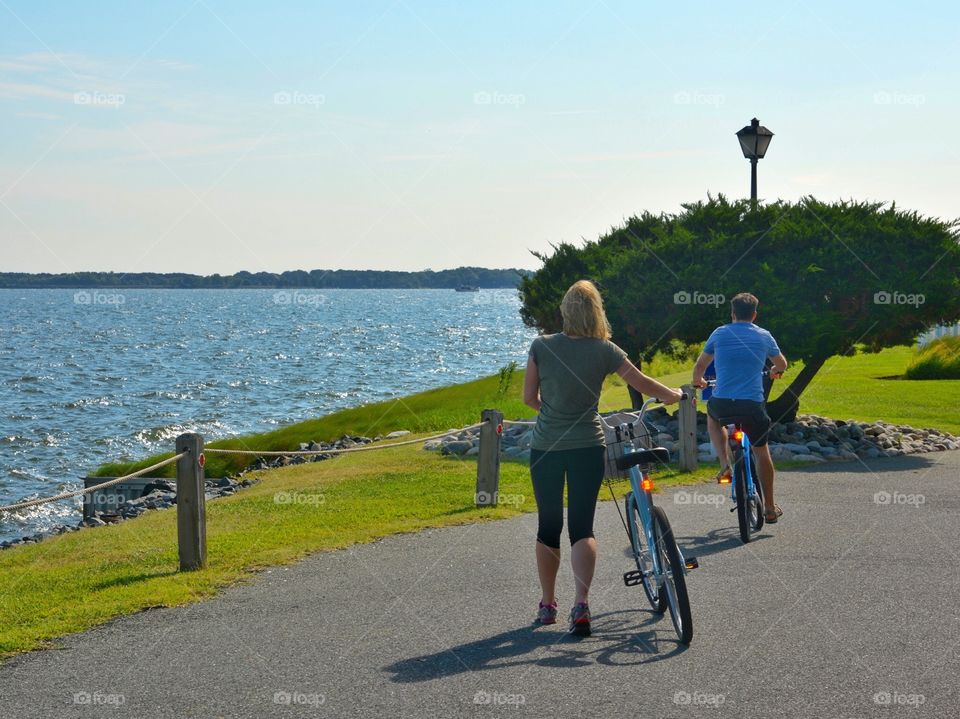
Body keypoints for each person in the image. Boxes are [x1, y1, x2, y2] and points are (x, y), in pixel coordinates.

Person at [523, 280, 684, 636]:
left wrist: (552, 412)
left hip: (546, 447)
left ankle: (547, 604)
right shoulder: (605, 350)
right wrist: (672, 394)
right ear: (597, 312)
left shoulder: (541, 346)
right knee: (582, 526)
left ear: (565, 311)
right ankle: (582, 603)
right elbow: (643, 384)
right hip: (588, 446)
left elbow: (528, 398)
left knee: (548, 525)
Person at [692, 292, 788, 523]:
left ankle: (725, 465)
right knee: (761, 451)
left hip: (723, 403)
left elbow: (700, 365)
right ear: (754, 314)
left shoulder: (719, 333)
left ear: (732, 313)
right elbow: (781, 363)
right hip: (752, 405)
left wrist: (699, 382)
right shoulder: (764, 336)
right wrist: (776, 372)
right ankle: (770, 507)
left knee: (713, 418)